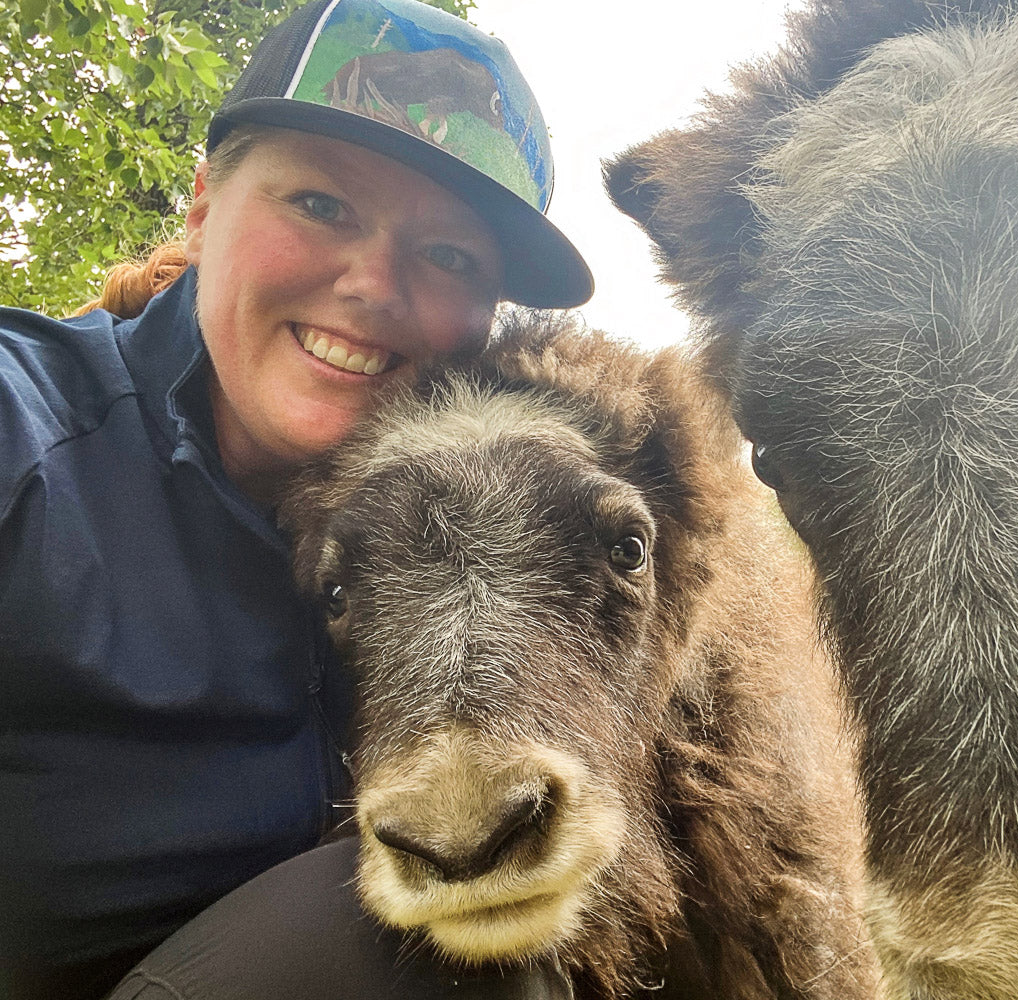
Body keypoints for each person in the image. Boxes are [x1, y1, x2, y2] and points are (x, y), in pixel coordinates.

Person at [0, 1, 591, 996]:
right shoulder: (28, 447)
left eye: (449, 256)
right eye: (321, 204)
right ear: (200, 203)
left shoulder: (480, 537)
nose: (371, 286)